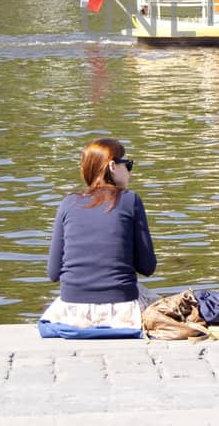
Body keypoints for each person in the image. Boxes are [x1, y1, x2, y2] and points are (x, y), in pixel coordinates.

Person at [42, 138, 158, 329]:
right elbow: (147, 267)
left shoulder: (67, 203)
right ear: (112, 166)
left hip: (72, 310)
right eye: (127, 164)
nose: (129, 171)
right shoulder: (130, 200)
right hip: (122, 308)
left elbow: (53, 273)